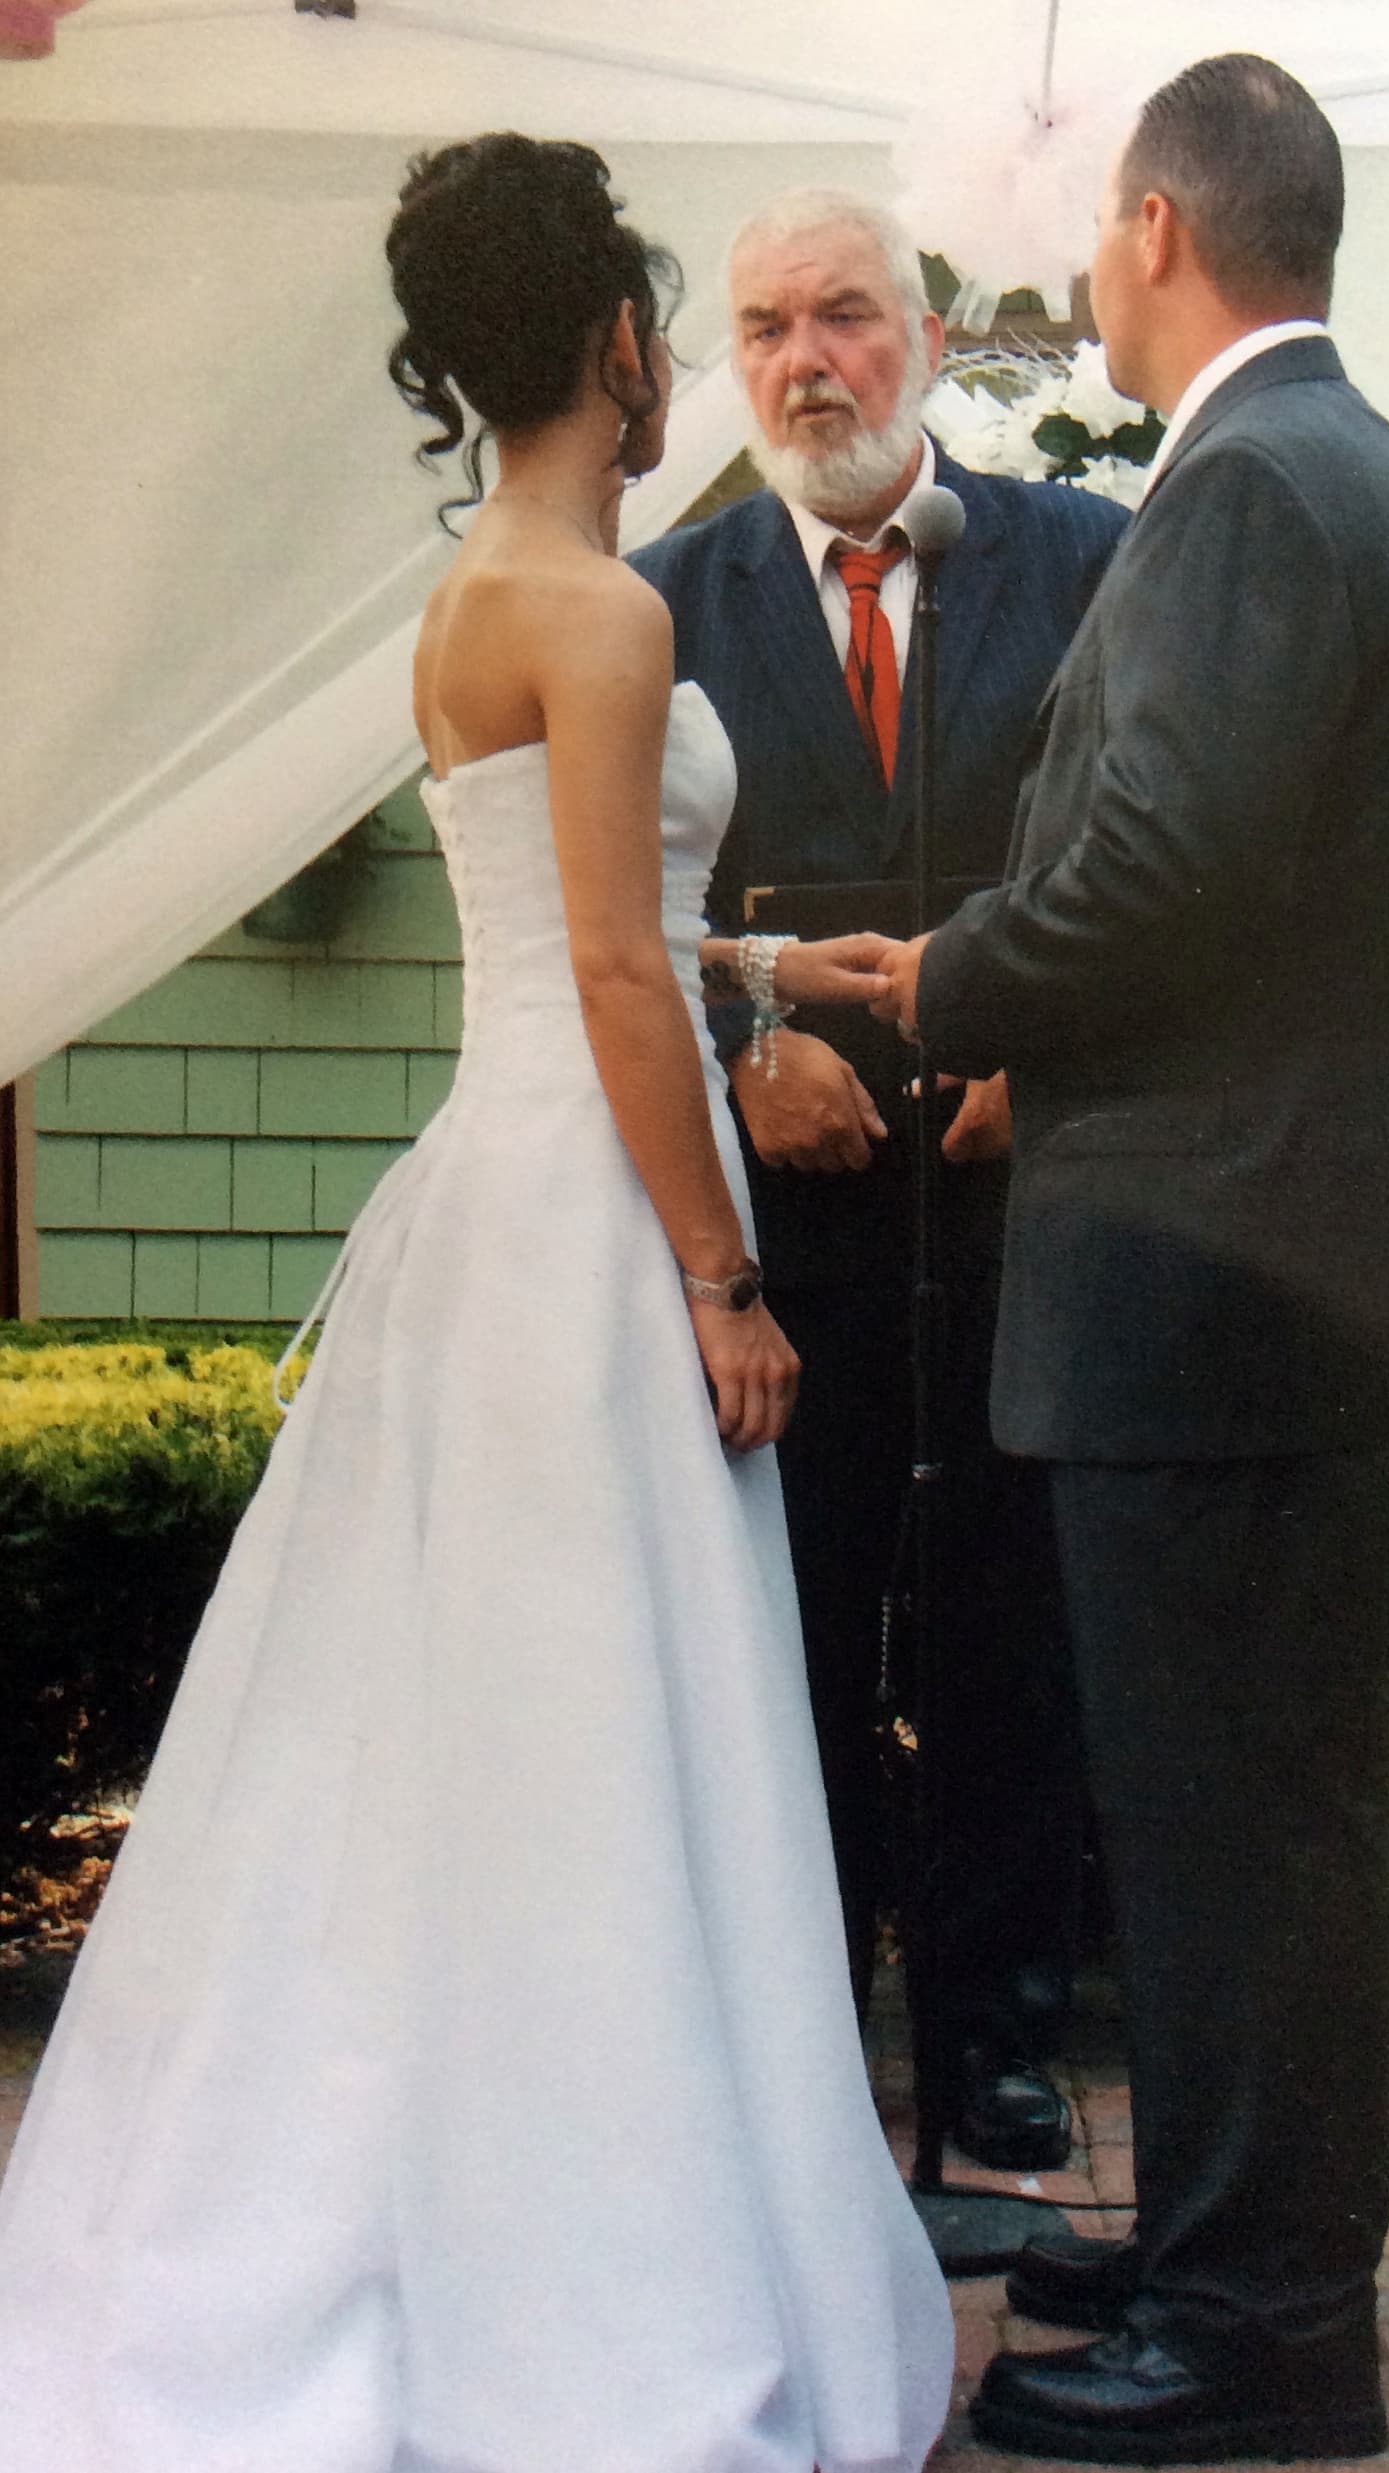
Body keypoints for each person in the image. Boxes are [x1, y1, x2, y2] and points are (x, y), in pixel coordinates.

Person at [0, 135, 953, 2473]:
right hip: (600, 1219)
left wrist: (764, 953)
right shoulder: (610, 612)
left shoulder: (479, 594)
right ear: (625, 344)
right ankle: (599, 2266)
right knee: (609, 1742)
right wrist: (720, 1276)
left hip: (488, 1192)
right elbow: (609, 966)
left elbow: (578, 915)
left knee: (472, 1735)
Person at [874, 54, 1389, 2469]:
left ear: (1157, 226)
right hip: (1272, 1289)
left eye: (1086, 234)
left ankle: (1259, 2335)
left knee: (1237, 1842)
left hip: (1227, 1301)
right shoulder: (1322, 468)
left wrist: (944, 983)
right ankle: (1253, 2247)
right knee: (1259, 1829)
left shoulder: (1253, 486)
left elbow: (1155, 873)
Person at [632, 191, 1128, 2171]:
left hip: (1027, 1215)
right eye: (763, 328)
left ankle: (1002, 2030)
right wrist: (746, 1062)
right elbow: (606, 927)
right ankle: (809, 2018)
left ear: (925, 335)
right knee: (801, 1631)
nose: (804, 360)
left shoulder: (1089, 562)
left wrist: (1053, 1039)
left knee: (1016, 1630)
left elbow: (1149, 850)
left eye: (843, 316)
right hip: (790, 1239)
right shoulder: (662, 600)